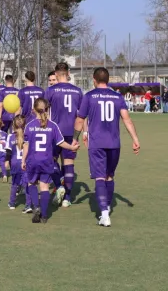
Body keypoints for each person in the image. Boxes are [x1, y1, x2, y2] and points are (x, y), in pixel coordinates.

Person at [74, 67, 140, 227]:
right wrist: (135, 139)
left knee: (99, 177)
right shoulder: (117, 97)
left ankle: (104, 214)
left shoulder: (89, 96)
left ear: (94, 80)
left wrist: (75, 139)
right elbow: (127, 119)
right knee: (109, 176)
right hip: (114, 144)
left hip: (96, 143)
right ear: (108, 80)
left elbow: (80, 120)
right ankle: (107, 207)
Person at [22, 98, 79, 224]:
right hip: (47, 161)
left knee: (32, 183)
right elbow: (60, 142)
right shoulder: (53, 126)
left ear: (33, 110)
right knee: (44, 186)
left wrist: (23, 160)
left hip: (33, 160)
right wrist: (71, 147)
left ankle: (36, 206)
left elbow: (26, 145)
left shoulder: (29, 126)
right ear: (47, 110)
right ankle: (44, 214)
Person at [45, 62, 83, 207]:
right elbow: (81, 116)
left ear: (55, 73)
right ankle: (67, 198)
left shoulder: (50, 90)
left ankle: (59, 184)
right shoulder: (77, 91)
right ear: (68, 73)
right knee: (68, 164)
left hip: (55, 132)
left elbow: (41, 110)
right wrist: (81, 134)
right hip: (71, 133)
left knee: (50, 161)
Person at [6, 115, 33, 212]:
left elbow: (8, 152)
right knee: (27, 184)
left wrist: (7, 163)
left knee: (14, 184)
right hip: (26, 163)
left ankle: (12, 203)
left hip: (15, 164)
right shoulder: (28, 135)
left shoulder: (10, 136)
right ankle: (28, 205)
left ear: (13, 124)